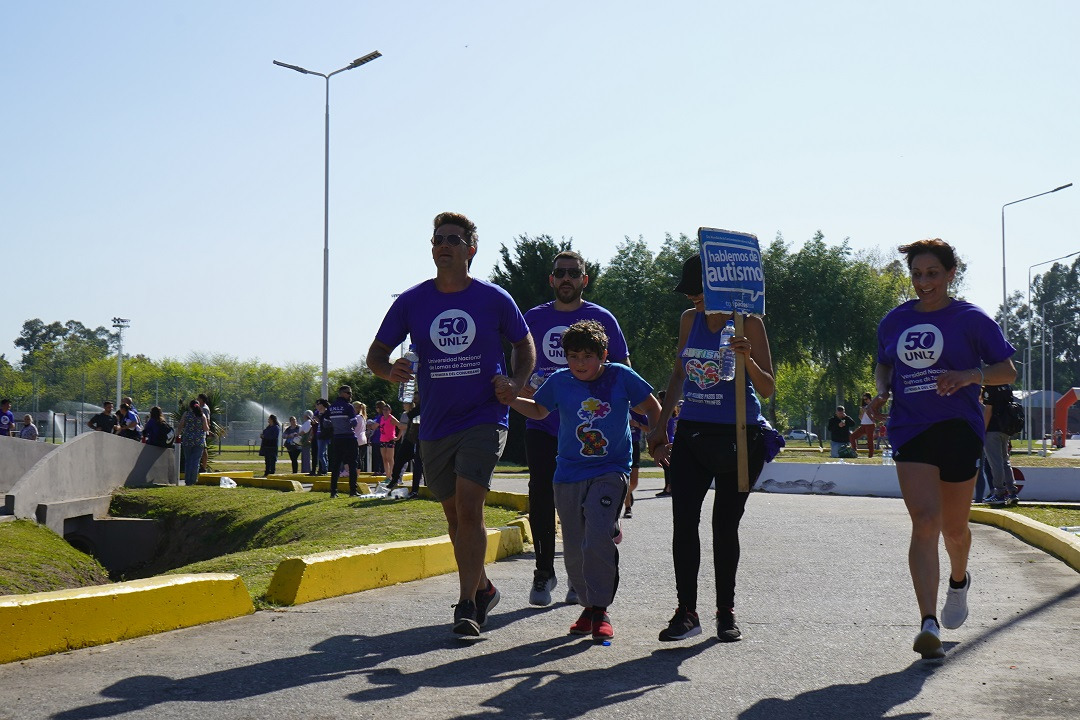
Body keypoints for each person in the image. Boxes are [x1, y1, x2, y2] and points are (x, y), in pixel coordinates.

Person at [367, 210, 535, 637]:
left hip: (485, 416)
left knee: (470, 507)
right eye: (438, 239)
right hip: (436, 423)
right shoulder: (412, 301)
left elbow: (524, 343)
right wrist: (390, 372)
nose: (443, 245)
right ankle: (484, 588)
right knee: (454, 517)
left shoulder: (493, 297)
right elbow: (376, 355)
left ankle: (466, 606)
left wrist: (516, 383)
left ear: (471, 249)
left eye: (453, 239)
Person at [869, 238, 1016, 660]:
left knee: (954, 529)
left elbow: (1006, 370)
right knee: (925, 521)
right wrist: (882, 392)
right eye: (917, 274)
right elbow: (884, 364)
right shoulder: (895, 320)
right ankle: (927, 622)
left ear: (951, 274)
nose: (924, 282)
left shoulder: (971, 318)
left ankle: (959, 580)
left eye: (932, 273)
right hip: (910, 428)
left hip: (958, 428)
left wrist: (970, 375)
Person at [649, 253, 776, 643]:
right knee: (684, 522)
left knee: (724, 526)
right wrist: (660, 426)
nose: (692, 297)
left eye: (698, 289)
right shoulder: (690, 320)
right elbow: (678, 373)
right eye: (688, 291)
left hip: (740, 435)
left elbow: (768, 387)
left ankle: (726, 611)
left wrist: (746, 358)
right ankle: (686, 612)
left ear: (720, 286)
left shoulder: (749, 323)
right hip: (692, 433)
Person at [509, 320, 660, 640]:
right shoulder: (560, 381)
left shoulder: (620, 376)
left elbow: (652, 406)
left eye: (587, 356)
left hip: (611, 469)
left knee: (597, 536)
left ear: (603, 355)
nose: (580, 363)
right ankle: (588, 606)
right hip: (568, 473)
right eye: (573, 356)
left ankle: (601, 608)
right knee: (575, 548)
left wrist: (658, 440)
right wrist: (509, 399)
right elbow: (539, 410)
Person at [521, 250, 630, 607]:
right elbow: (520, 360)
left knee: (584, 506)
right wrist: (520, 386)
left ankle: (578, 578)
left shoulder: (601, 318)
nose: (565, 278)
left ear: (584, 279)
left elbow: (622, 367)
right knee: (541, 496)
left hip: (590, 429)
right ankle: (543, 572)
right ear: (551, 279)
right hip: (543, 422)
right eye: (560, 273)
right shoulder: (534, 318)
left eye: (573, 273)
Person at [982, 384, 1019, 506]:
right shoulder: (1007, 387)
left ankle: (999, 493)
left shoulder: (990, 388)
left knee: (995, 463)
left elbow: (988, 410)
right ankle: (1012, 492)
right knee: (1005, 461)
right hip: (1005, 428)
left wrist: (982, 430)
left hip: (992, 430)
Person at [325, 385, 360, 498]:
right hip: (349, 438)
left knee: (336, 465)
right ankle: (353, 491)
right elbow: (354, 423)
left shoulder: (331, 407)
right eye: (348, 393)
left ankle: (333, 492)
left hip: (337, 439)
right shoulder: (348, 407)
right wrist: (346, 425)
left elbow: (325, 423)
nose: (350, 395)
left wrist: (336, 427)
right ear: (342, 393)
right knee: (352, 464)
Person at [175, 399, 210, 485]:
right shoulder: (202, 415)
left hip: (187, 440)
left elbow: (181, 425)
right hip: (199, 441)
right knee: (196, 461)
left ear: (190, 406)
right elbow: (206, 428)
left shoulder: (186, 414)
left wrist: (177, 435)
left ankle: (187, 480)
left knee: (188, 460)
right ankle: (193, 480)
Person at [389, 400, 422, 490]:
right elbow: (403, 427)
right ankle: (394, 480)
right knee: (399, 460)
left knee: (418, 464)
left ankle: (415, 488)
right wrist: (399, 437)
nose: (403, 405)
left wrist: (397, 424)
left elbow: (410, 426)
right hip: (408, 439)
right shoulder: (406, 414)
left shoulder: (420, 411)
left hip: (417, 440)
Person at [654, 393, 678, 497]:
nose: (657, 399)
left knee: (667, 466)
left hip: (666, 440)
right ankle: (669, 487)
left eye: (658, 398)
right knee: (668, 466)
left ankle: (669, 488)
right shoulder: (671, 411)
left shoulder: (663, 412)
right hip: (671, 439)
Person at [376, 401, 399, 485]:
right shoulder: (382, 418)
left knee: (390, 458)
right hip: (383, 439)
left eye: (387, 410)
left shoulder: (391, 418)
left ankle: (393, 476)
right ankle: (387, 476)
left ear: (390, 410)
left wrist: (398, 437)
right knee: (384, 458)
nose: (385, 411)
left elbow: (400, 426)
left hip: (390, 439)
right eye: (384, 409)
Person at [849, 392, 876, 457]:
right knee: (852, 436)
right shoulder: (863, 407)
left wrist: (866, 411)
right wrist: (862, 412)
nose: (865, 401)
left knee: (870, 440)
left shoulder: (873, 406)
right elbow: (860, 418)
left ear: (870, 399)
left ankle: (870, 455)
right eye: (864, 399)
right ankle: (854, 451)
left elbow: (874, 416)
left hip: (870, 425)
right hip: (863, 425)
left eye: (866, 399)